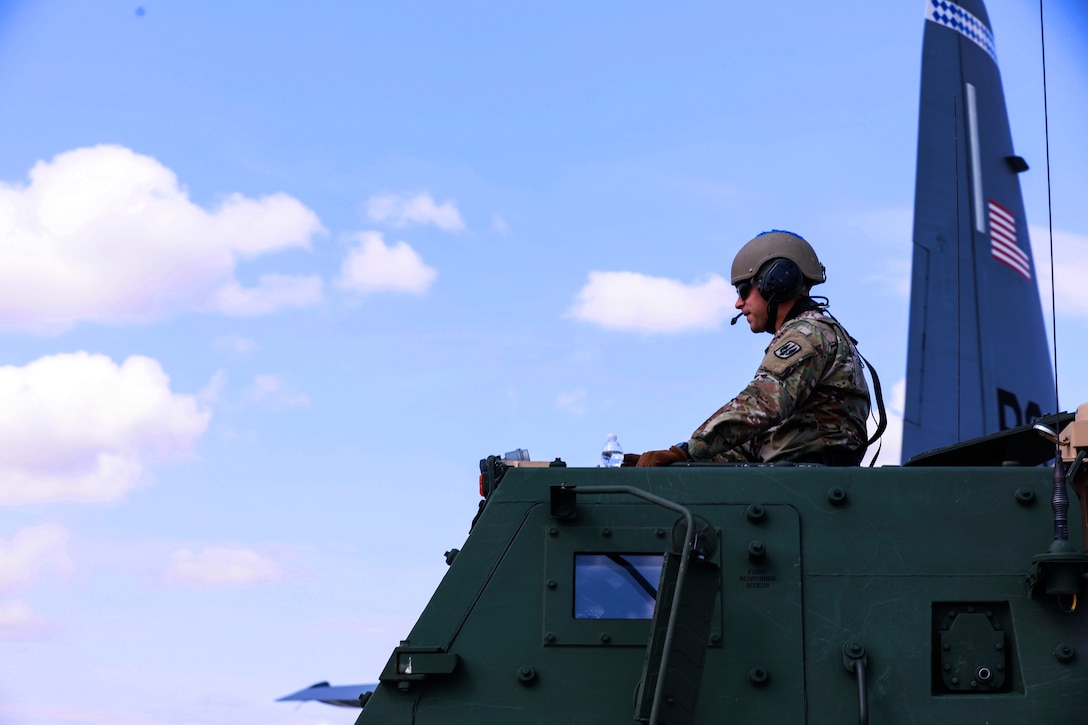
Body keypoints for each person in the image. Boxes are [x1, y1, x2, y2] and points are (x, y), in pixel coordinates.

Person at [633, 230, 872, 467]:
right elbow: (755, 439)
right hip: (799, 481)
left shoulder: (807, 334)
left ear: (776, 282)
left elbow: (761, 404)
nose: (738, 303)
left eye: (743, 290)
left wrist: (686, 451)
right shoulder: (810, 333)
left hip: (808, 485)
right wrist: (680, 464)